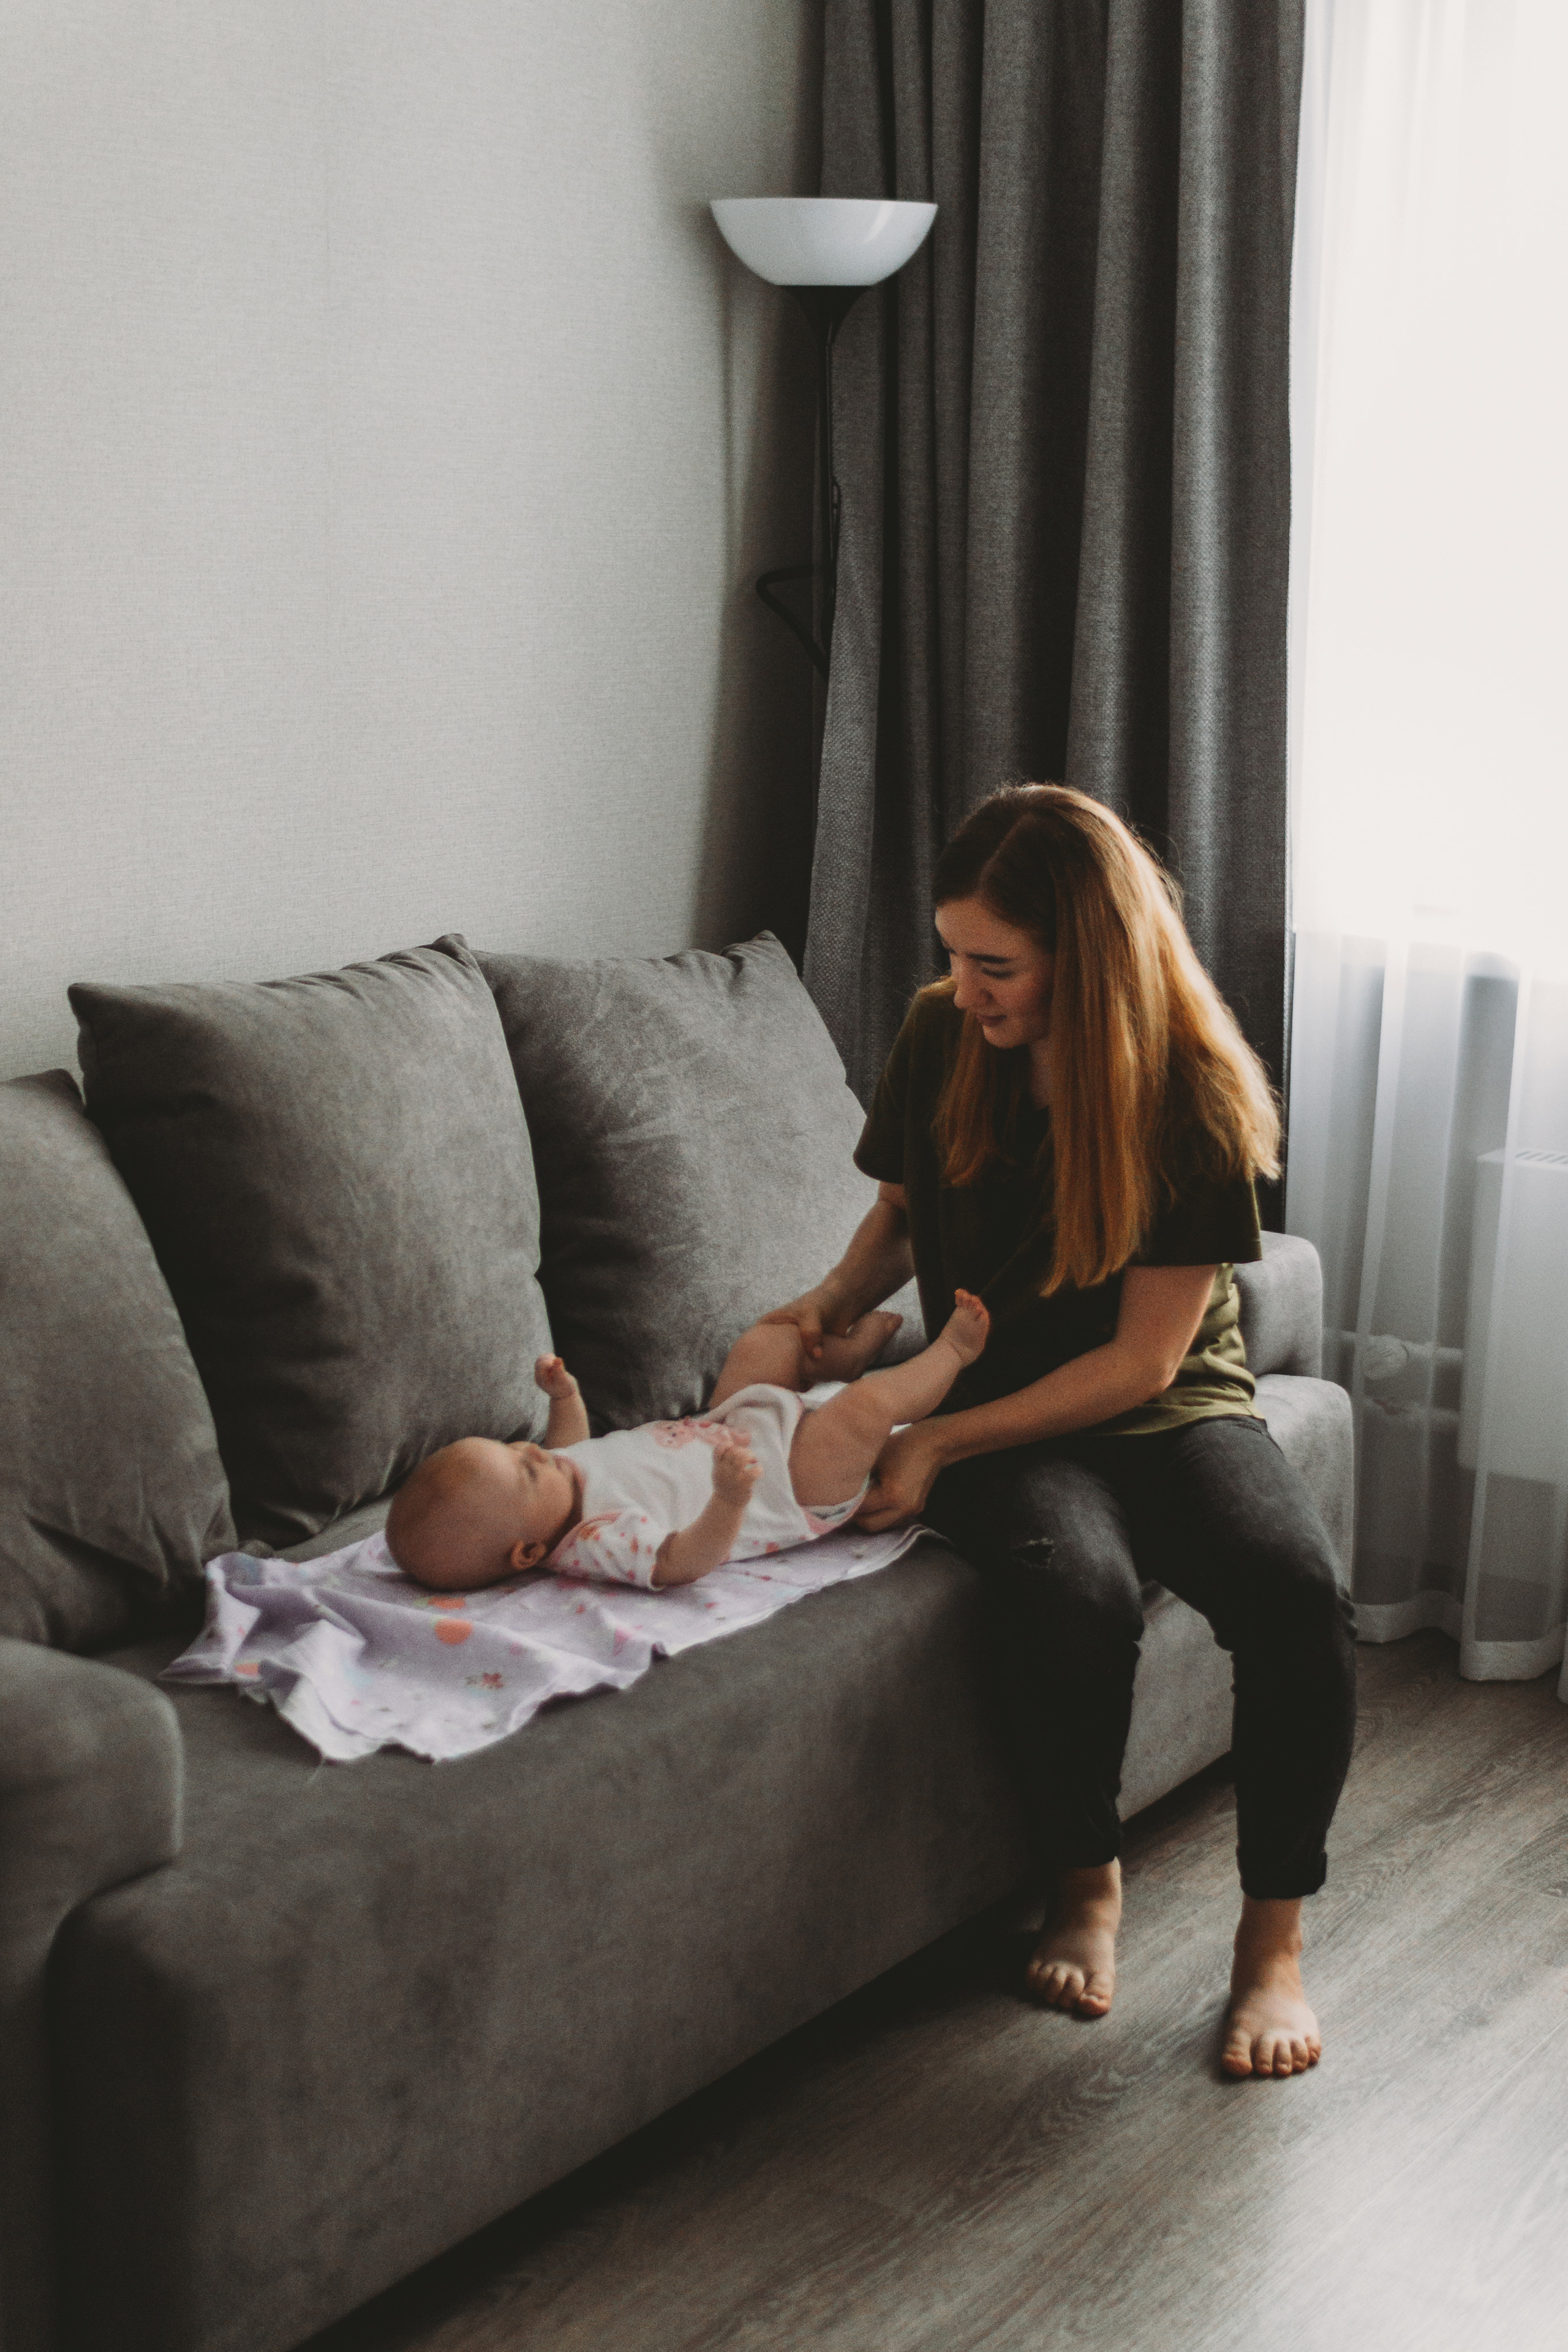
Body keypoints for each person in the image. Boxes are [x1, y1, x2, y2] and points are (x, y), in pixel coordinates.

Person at [761, 785, 1357, 2082]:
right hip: (998, 1398)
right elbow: (903, 1215)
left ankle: (1272, 1945)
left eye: (996, 965)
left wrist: (934, 1445)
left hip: (1165, 1404)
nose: (962, 988)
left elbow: (1143, 1362)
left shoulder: (1189, 1091)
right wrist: (831, 1309)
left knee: (1294, 1593)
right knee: (1071, 1590)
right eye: (952, 955)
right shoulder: (942, 1033)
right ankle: (1086, 1884)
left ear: (1087, 959)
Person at [385, 1292, 990, 1595]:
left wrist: (563, 1398)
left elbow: (572, 1450)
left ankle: (845, 1356)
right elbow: (680, 1562)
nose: (534, 1453)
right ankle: (953, 1352)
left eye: (514, 1448)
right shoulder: (598, 1540)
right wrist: (728, 1499)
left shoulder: (555, 1482)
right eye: (525, 1471)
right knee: (865, 1409)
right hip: (786, 1486)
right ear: (528, 1552)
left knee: (764, 1346)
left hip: (727, 1426)